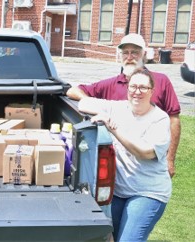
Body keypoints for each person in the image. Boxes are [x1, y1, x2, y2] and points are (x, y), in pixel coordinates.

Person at [66, 33, 181, 178]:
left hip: (150, 163)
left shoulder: (161, 81)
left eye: (135, 52)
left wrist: (170, 159)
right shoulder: (111, 84)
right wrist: (92, 104)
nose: (129, 57)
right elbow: (73, 91)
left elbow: (174, 119)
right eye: (125, 52)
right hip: (118, 166)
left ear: (144, 54)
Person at [78, 68, 172, 241]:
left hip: (148, 192)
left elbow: (144, 152)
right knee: (107, 237)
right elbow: (83, 104)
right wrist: (104, 113)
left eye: (143, 87)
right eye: (133, 86)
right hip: (119, 191)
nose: (137, 92)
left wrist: (113, 127)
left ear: (152, 91)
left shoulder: (160, 119)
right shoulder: (118, 107)